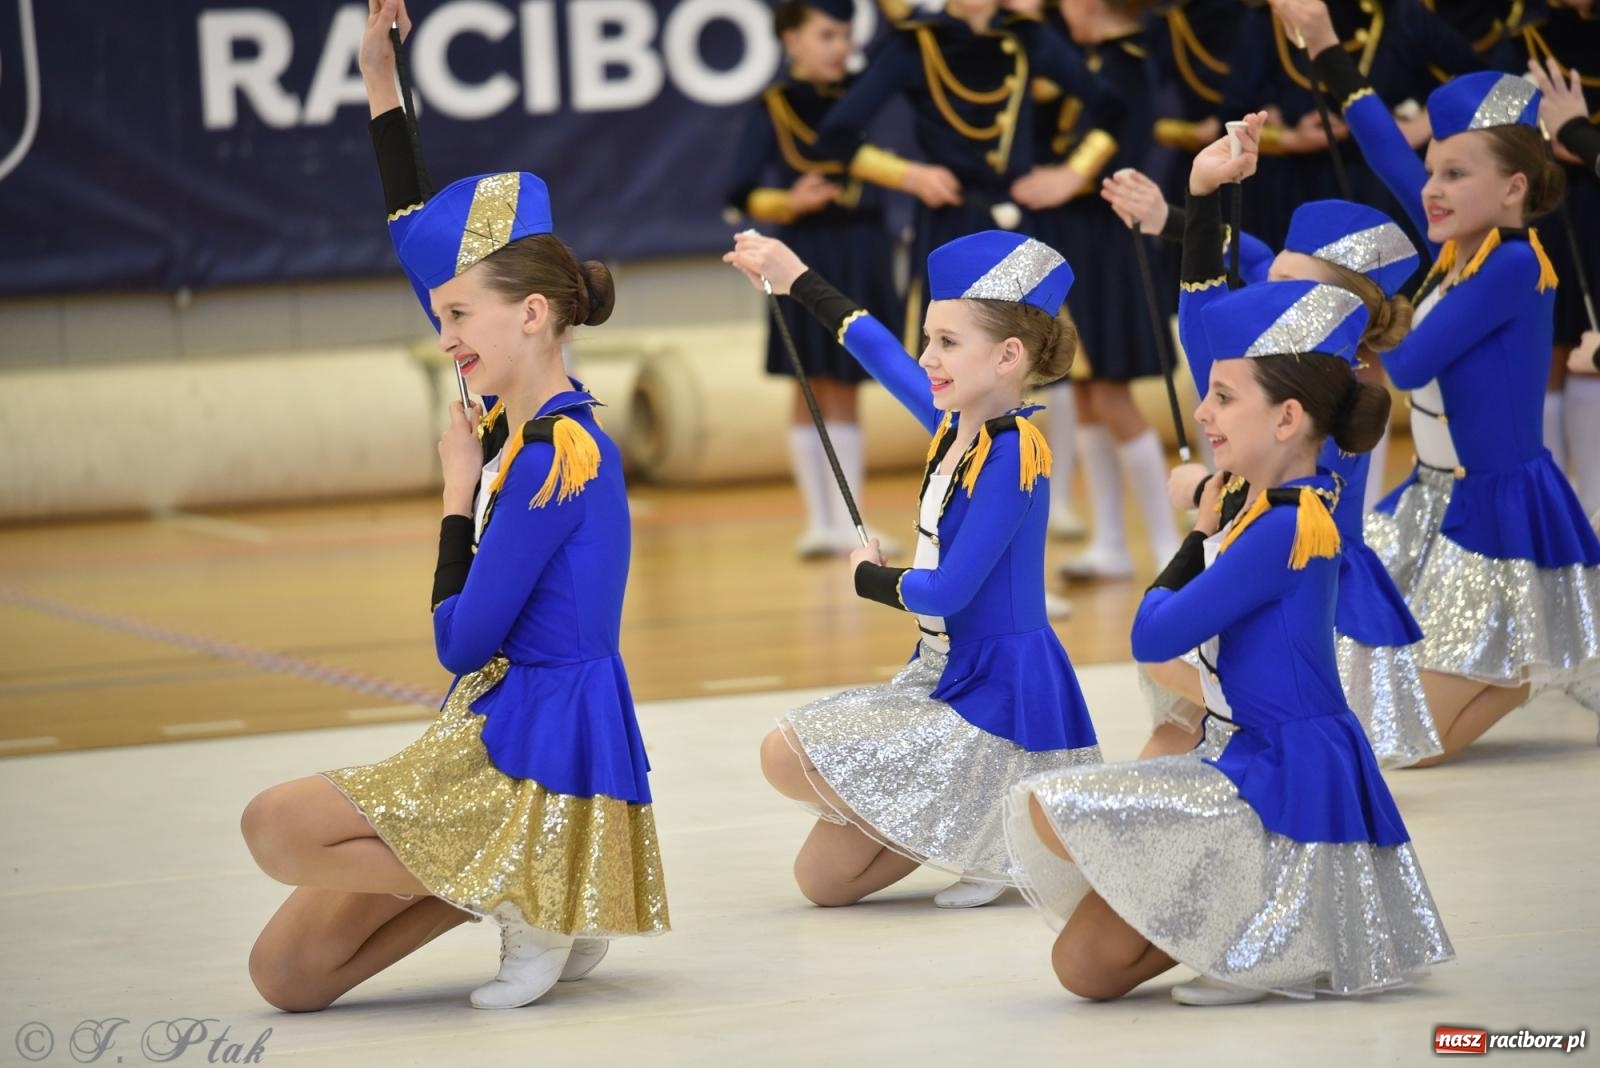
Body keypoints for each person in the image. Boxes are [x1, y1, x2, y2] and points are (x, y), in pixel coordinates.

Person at [239, 0, 668, 1013]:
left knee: (275, 826)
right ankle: (550, 883)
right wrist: (379, 79)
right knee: (289, 977)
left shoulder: (550, 452)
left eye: (456, 316)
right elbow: (416, 235)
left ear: (530, 313)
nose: (442, 337)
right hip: (489, 733)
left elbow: (458, 640)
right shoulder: (512, 411)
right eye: (440, 315)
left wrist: (452, 496)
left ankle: (537, 892)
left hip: (528, 747)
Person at [1007, 272, 1453, 1006]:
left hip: (1282, 775)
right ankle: (1238, 920)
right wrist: (1199, 210)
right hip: (1240, 751)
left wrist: (1195, 537)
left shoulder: (1281, 526)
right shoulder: (1265, 499)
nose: (1201, 412)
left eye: (1223, 397)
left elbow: (1153, 634)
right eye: (1206, 393)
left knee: (1051, 809)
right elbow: (1200, 335)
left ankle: (1263, 940)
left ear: (1286, 421)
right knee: (1084, 967)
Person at [726, 227, 1102, 909]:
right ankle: (983, 828)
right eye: (928, 339)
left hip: (1001, 696)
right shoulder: (952, 423)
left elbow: (953, 589)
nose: (926, 358)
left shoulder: (1016, 451)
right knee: (825, 883)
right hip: (941, 672)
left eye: (947, 343)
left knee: (784, 754)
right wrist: (793, 275)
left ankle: (1002, 831)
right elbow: (873, 347)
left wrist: (871, 577)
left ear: (1009, 357)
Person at [1276, 0, 1600, 761]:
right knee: (1368, 694)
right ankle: (1515, 660)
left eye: (1455, 173)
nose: (1430, 188)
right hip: (1434, 493)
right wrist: (1328, 51)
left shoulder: (1514, 264)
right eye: (1433, 172)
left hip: (1492, 512)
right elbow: (1391, 152)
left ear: (1515, 189)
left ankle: (1523, 666)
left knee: (1405, 748)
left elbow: (1413, 362)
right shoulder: (1460, 250)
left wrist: (1344, 311)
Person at [1104, 161, 1442, 766]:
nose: (1262, 286)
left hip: (1314, 614)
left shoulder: (1328, 396)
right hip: (1258, 569)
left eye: (1284, 284)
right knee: (1161, 754)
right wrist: (1178, 216)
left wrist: (1204, 485)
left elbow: (1303, 499)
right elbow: (1251, 253)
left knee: (1167, 660)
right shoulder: (1307, 346)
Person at [724, 0, 935, 556]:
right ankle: (819, 521)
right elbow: (739, 192)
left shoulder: (865, 88)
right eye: (826, 35)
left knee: (846, 379)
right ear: (790, 40)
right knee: (808, 377)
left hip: (861, 245)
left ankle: (850, 520)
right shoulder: (774, 104)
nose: (841, 47)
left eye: (845, 35)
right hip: (805, 247)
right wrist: (788, 202)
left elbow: (908, 37)